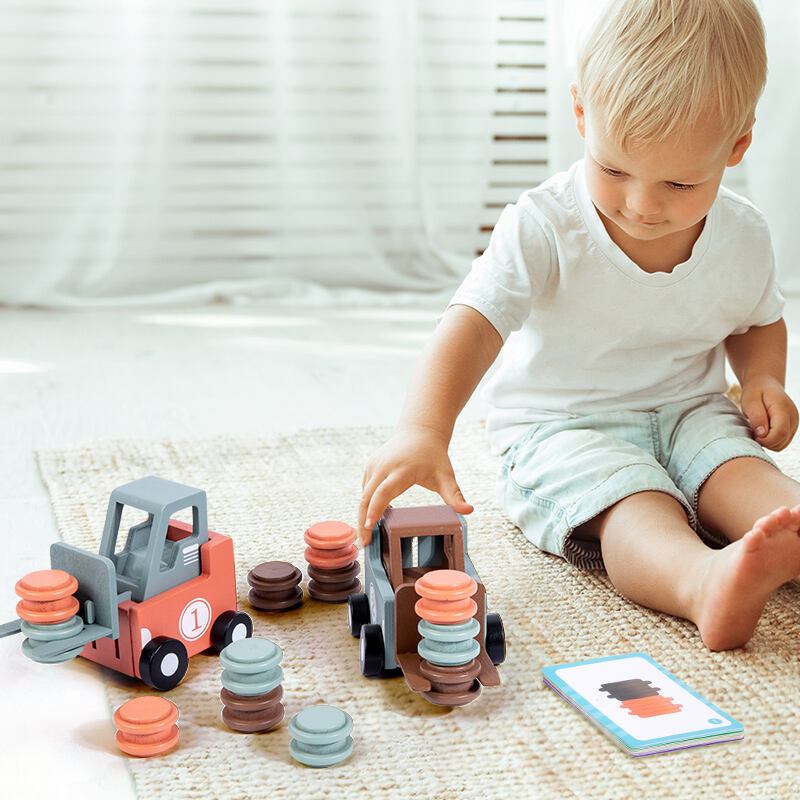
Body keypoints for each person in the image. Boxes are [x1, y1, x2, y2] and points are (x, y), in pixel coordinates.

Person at [358, 0, 800, 651]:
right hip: (562, 427)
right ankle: (700, 580)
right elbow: (473, 324)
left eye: (679, 183)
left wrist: (763, 376)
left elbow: (757, 318)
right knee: (635, 507)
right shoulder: (543, 225)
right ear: (581, 115)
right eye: (615, 170)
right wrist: (423, 430)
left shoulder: (744, 235)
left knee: (749, 479)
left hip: (691, 410)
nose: (642, 206)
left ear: (735, 148)